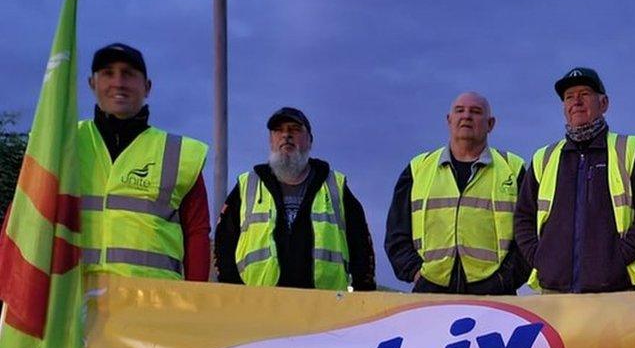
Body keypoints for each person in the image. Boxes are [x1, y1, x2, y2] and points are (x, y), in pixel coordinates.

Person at [514, 67, 635, 293]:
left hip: (613, 292)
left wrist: (619, 256)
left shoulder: (627, 151)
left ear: (603, 103)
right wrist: (540, 259)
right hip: (554, 293)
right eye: (569, 97)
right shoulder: (544, 158)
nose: (576, 101)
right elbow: (523, 217)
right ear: (564, 108)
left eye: (584, 94)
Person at [80, 43, 210, 280]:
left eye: (128, 74)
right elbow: (28, 213)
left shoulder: (180, 154)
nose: (118, 82)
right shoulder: (64, 142)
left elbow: (197, 234)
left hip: (153, 306)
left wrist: (197, 304)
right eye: (108, 73)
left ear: (147, 87)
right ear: (92, 83)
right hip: (73, 301)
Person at [214, 107, 376, 290]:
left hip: (325, 307)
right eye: (279, 130)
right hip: (259, 307)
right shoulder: (247, 185)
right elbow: (223, 245)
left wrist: (364, 295)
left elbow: (361, 245)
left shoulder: (335, 186)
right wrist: (234, 294)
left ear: (310, 141)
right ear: (271, 141)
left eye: (295, 129)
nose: (286, 135)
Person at [385, 92, 529, 294]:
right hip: (431, 293)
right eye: (459, 110)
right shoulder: (418, 169)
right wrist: (416, 273)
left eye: (476, 112)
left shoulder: (514, 169)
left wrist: (505, 280)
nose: (467, 116)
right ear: (449, 120)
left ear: (491, 124)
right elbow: (396, 233)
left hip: (495, 297)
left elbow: (529, 233)